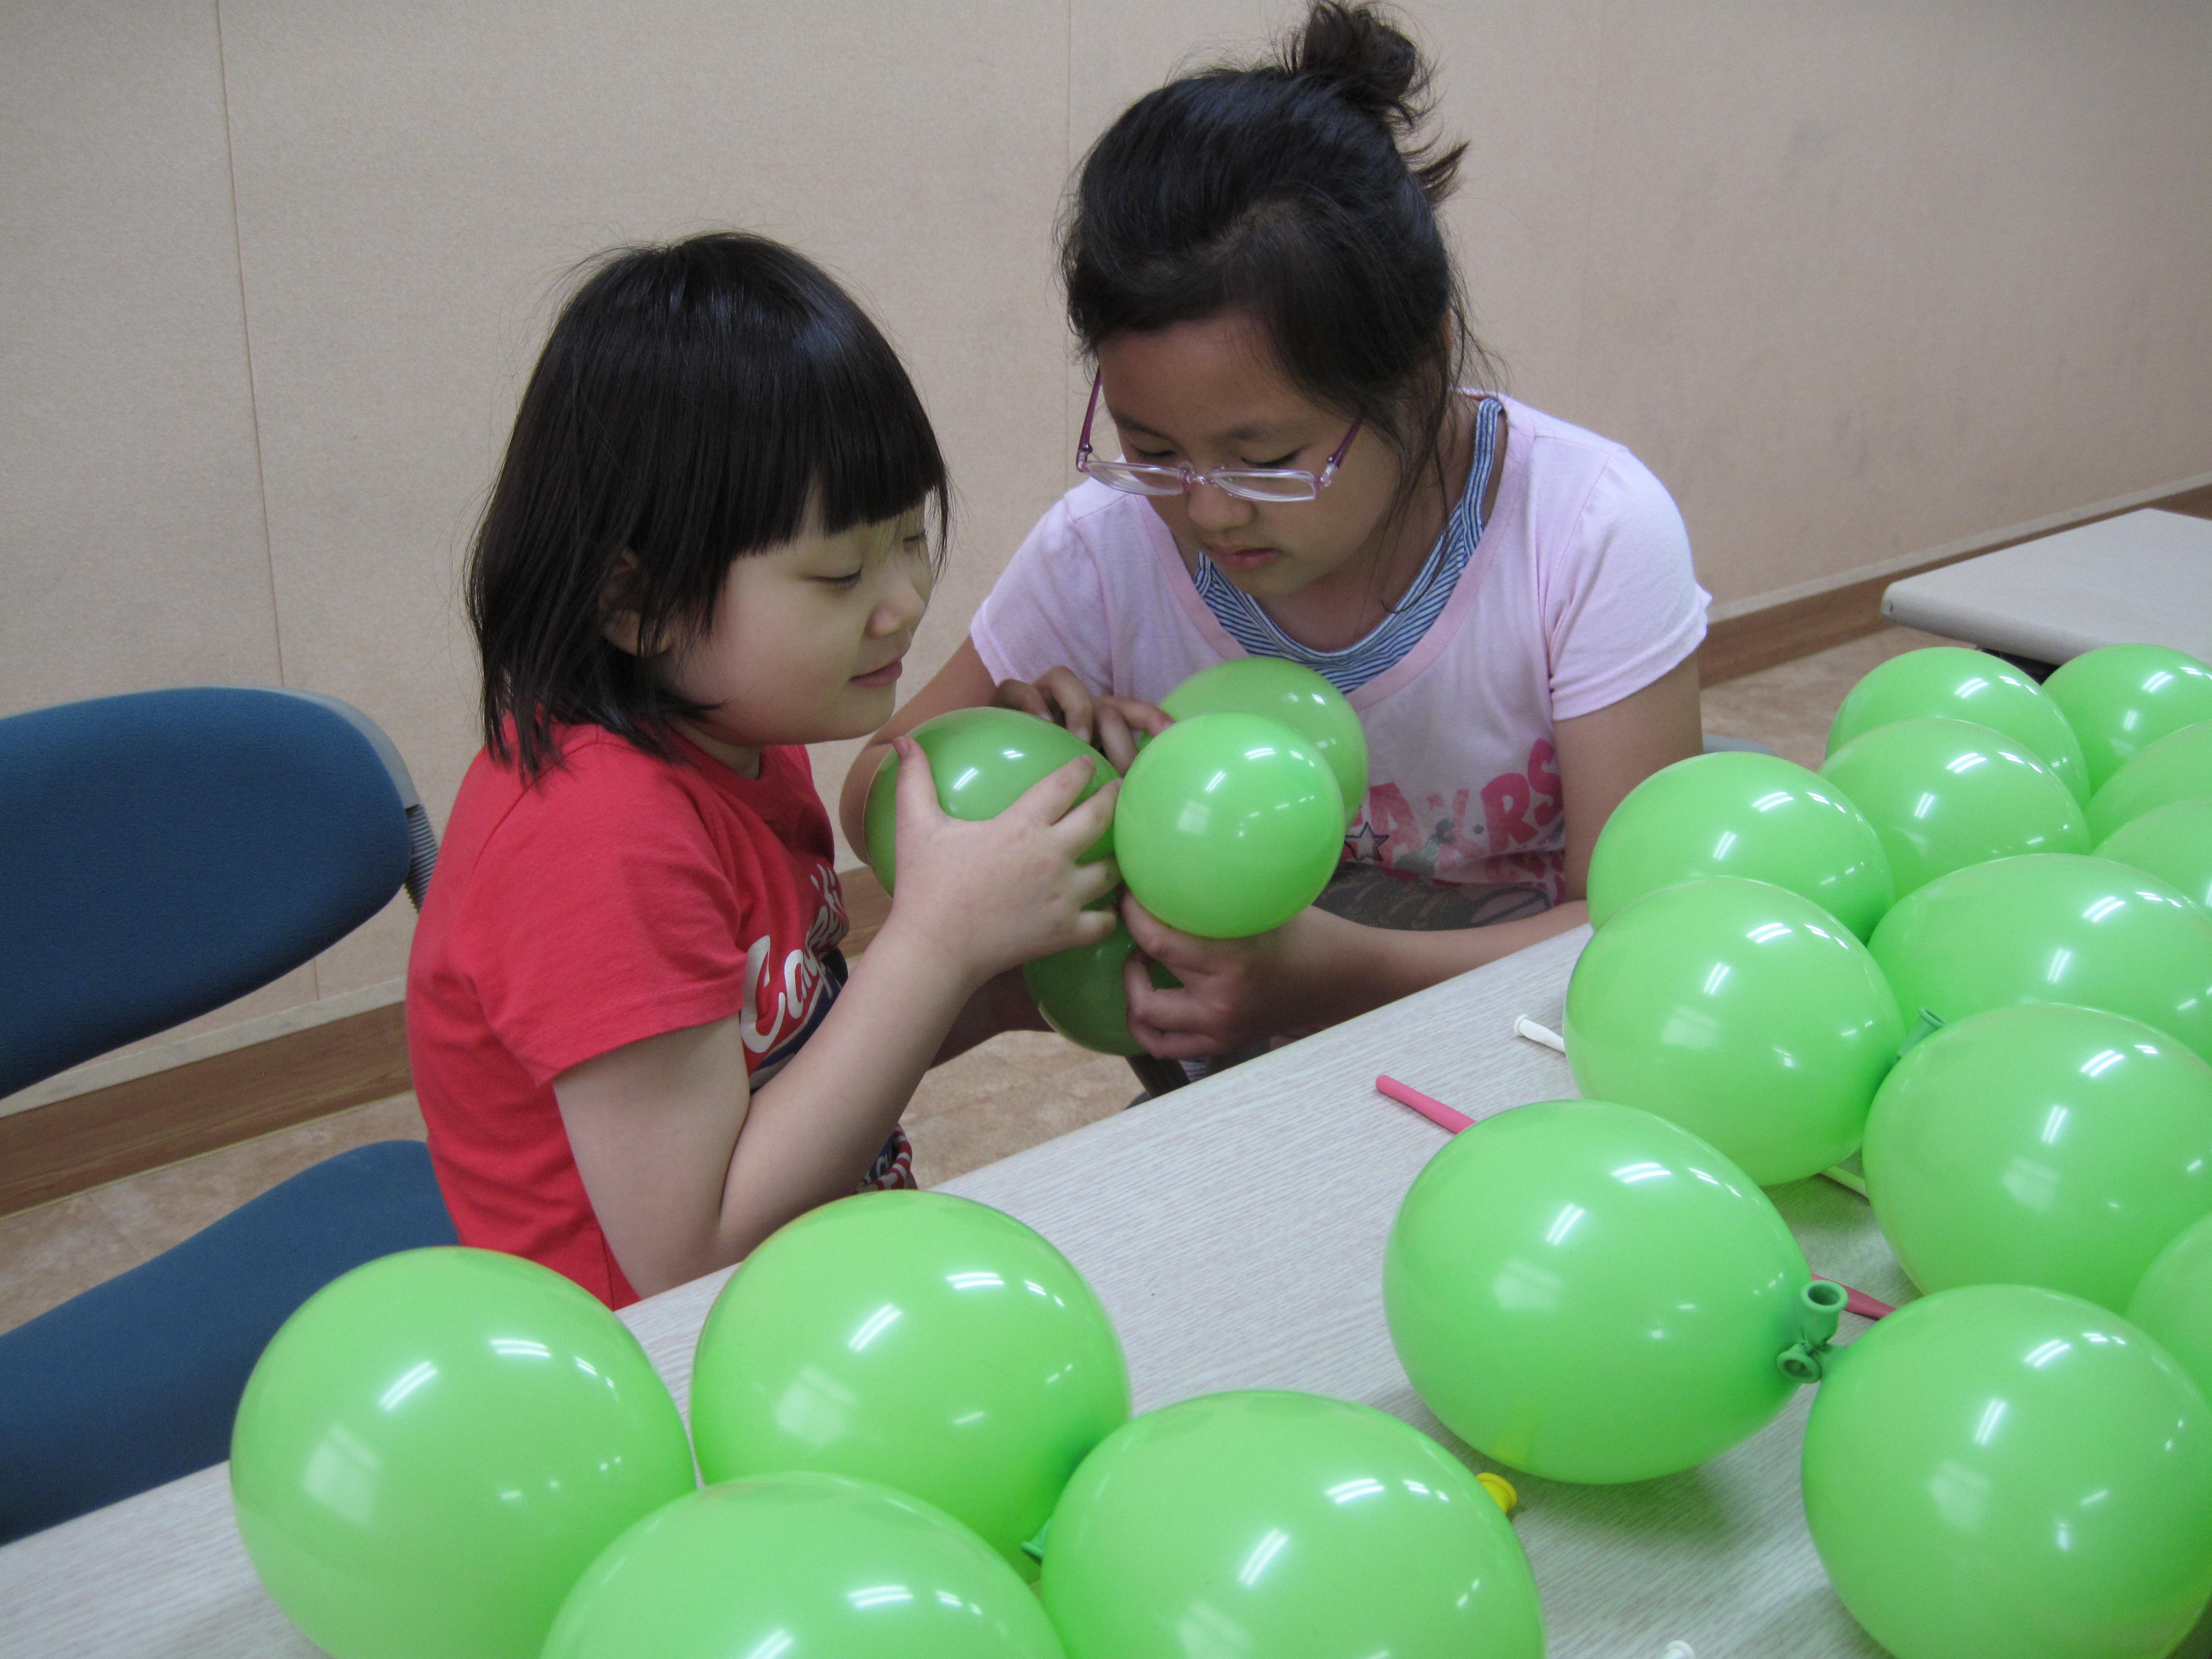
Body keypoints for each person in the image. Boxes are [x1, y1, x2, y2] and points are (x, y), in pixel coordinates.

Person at [841, 0, 1709, 1066]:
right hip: (1226, 1063)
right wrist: (1017, 765)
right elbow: (877, 785)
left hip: (1519, 1043)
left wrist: (1332, 976)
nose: (1206, 510)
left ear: (1421, 367)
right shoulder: (1109, 545)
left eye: (1266, 460)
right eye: (1152, 446)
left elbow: (1636, 922)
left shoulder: (1587, 534)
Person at [407, 234, 1118, 1306]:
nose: (903, 603)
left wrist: (988, 976)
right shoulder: (596, 840)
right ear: (635, 602)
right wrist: (935, 941)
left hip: (809, 1288)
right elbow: (688, 1258)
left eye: (910, 537)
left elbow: (789, 1063)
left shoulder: (736, 737)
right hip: (663, 1380)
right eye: (839, 573)